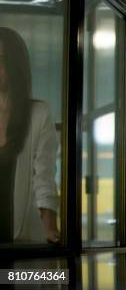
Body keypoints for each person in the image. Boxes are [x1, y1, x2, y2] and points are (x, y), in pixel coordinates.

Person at [0, 27, 60, 244]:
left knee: (21, 277)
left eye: (2, 59)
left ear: (15, 65)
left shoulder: (38, 113)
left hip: (20, 236)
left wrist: (50, 225)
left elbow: (44, 175)